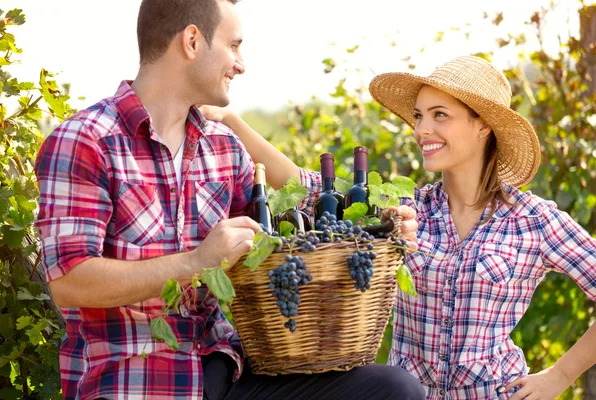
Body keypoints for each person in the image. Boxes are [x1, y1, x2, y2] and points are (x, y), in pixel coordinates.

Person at [35, 1, 425, 399]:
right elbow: (70, 281)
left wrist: (380, 219)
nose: (241, 64)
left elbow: (302, 217)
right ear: (191, 41)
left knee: (392, 389)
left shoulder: (222, 147)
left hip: (223, 375)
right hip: (135, 382)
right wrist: (196, 263)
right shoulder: (86, 140)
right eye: (234, 45)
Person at [201, 55, 596, 399]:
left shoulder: (534, 220)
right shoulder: (405, 210)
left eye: (440, 115)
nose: (422, 129)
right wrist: (232, 121)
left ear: (482, 126)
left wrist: (560, 375)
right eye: (420, 116)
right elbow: (309, 190)